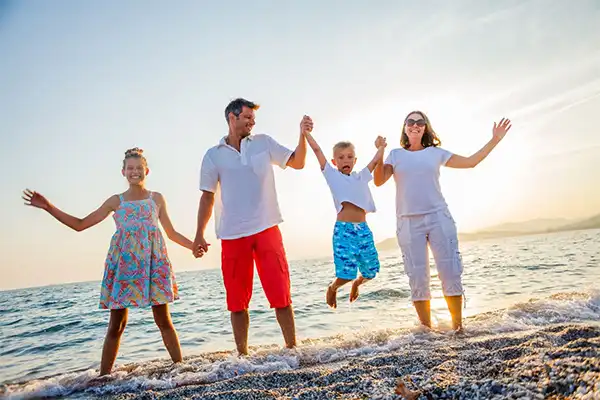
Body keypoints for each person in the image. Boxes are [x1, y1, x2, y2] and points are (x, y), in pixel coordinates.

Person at [22, 147, 193, 375]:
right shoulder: (116, 201)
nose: (135, 172)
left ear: (147, 171)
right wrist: (49, 207)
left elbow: (171, 233)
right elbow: (80, 224)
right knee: (117, 324)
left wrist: (194, 245)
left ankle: (180, 369)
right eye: (130, 168)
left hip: (154, 264)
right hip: (124, 266)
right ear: (123, 172)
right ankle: (104, 377)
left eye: (139, 168)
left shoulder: (156, 199)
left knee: (164, 320)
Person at [192, 98, 312, 355]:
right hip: (232, 235)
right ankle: (242, 355)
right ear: (232, 118)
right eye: (247, 117)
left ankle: (293, 349)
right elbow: (207, 196)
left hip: (267, 228)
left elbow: (298, 162)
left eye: (253, 119)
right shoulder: (213, 155)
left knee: (281, 294)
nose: (252, 122)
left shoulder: (263, 143)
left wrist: (302, 136)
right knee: (237, 302)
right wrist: (199, 234)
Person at [373, 111, 512, 331]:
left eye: (420, 122)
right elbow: (379, 180)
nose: (415, 125)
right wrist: (380, 152)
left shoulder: (435, 153)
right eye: (411, 122)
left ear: (426, 128)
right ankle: (426, 331)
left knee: (450, 271)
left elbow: (470, 162)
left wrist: (495, 139)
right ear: (405, 127)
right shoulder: (395, 155)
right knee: (417, 277)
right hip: (408, 223)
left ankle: (458, 328)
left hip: (439, 218)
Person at [303, 130, 387, 308]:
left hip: (363, 230)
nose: (345, 160)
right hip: (344, 230)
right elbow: (317, 151)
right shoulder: (332, 176)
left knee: (371, 272)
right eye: (340, 158)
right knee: (346, 274)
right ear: (334, 162)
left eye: (350, 157)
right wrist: (306, 134)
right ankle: (333, 288)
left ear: (355, 161)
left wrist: (381, 146)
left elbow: (374, 161)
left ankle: (357, 283)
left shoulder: (361, 177)